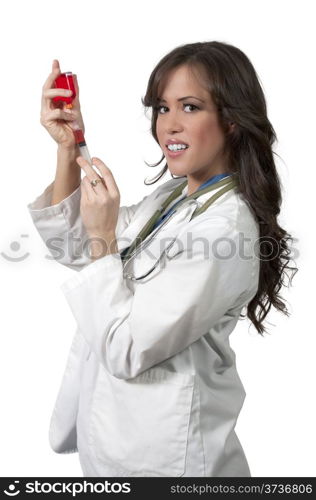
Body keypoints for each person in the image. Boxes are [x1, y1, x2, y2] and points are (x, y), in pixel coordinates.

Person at [27, 41, 297, 477]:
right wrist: (69, 147)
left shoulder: (224, 232)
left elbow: (126, 348)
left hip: (171, 462)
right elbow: (75, 247)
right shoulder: (173, 196)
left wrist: (101, 236)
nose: (168, 125)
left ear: (231, 119)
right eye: (161, 108)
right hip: (116, 438)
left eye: (190, 108)